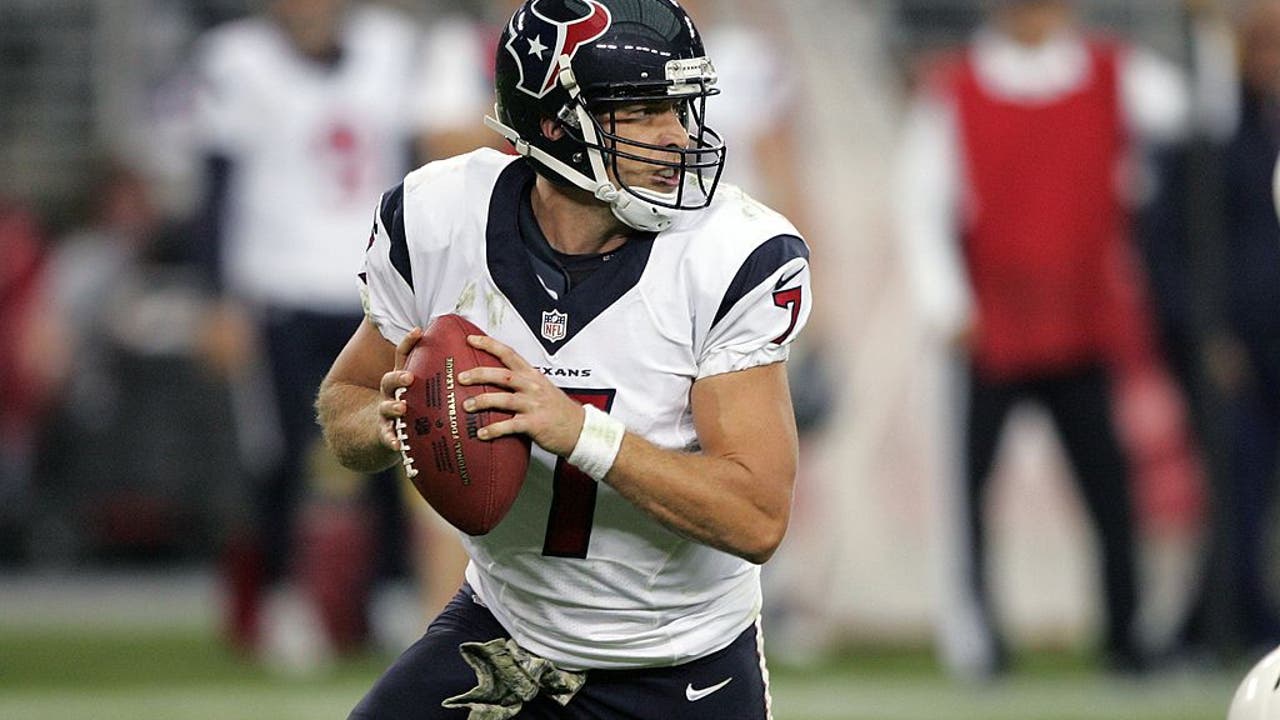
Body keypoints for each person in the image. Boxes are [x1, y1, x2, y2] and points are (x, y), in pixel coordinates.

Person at [316, 0, 812, 716]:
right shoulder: (437, 217)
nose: (678, 136)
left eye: (681, 107)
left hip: (675, 663)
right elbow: (346, 405)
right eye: (642, 111)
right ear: (552, 124)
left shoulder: (731, 252)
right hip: (505, 637)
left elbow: (756, 517)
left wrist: (576, 430)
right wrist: (401, 420)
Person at [894, 0, 1188, 677]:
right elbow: (920, 202)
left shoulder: (1119, 73)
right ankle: (978, 642)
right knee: (970, 495)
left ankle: (1127, 637)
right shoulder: (956, 89)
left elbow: (1196, 118)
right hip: (992, 329)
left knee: (1110, 491)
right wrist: (947, 305)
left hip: (1083, 322)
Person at [188, 0, 439, 662]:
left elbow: (420, 171)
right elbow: (215, 186)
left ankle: (391, 591)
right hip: (278, 287)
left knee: (395, 439)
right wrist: (215, 297)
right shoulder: (236, 60)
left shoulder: (392, 48)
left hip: (374, 288)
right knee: (281, 453)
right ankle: (282, 598)